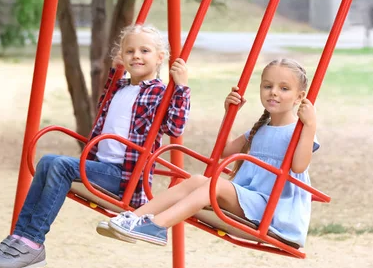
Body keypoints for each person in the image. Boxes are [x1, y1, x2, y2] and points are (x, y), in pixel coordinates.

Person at [0, 24, 191, 268]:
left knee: (59, 166)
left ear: (159, 58)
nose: (136, 55)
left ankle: (33, 243)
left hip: (124, 178)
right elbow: (103, 105)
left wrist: (181, 87)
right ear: (121, 56)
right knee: (47, 161)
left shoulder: (159, 93)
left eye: (145, 51)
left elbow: (175, 128)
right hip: (102, 167)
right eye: (130, 51)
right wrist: (114, 72)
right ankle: (18, 238)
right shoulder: (120, 89)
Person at [103, 58, 319, 248]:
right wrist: (229, 114)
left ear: (299, 97)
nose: (273, 92)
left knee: (214, 184)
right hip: (252, 200)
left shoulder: (299, 130)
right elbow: (225, 150)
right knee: (197, 179)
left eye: (284, 88)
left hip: (274, 210)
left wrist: (310, 125)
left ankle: (157, 225)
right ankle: (131, 217)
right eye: (267, 86)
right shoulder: (260, 130)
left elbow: (299, 166)